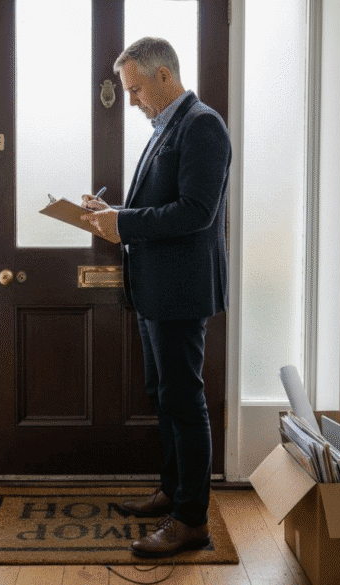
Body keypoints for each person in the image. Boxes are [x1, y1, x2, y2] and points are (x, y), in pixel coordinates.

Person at [81, 37, 231, 559]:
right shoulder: (166, 127)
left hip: (181, 292)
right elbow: (161, 204)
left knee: (185, 403)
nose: (133, 100)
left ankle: (191, 521)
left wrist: (123, 224)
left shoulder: (203, 125)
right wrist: (111, 212)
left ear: (164, 76)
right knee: (164, 395)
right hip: (153, 292)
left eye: (137, 89)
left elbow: (195, 212)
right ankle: (172, 492)